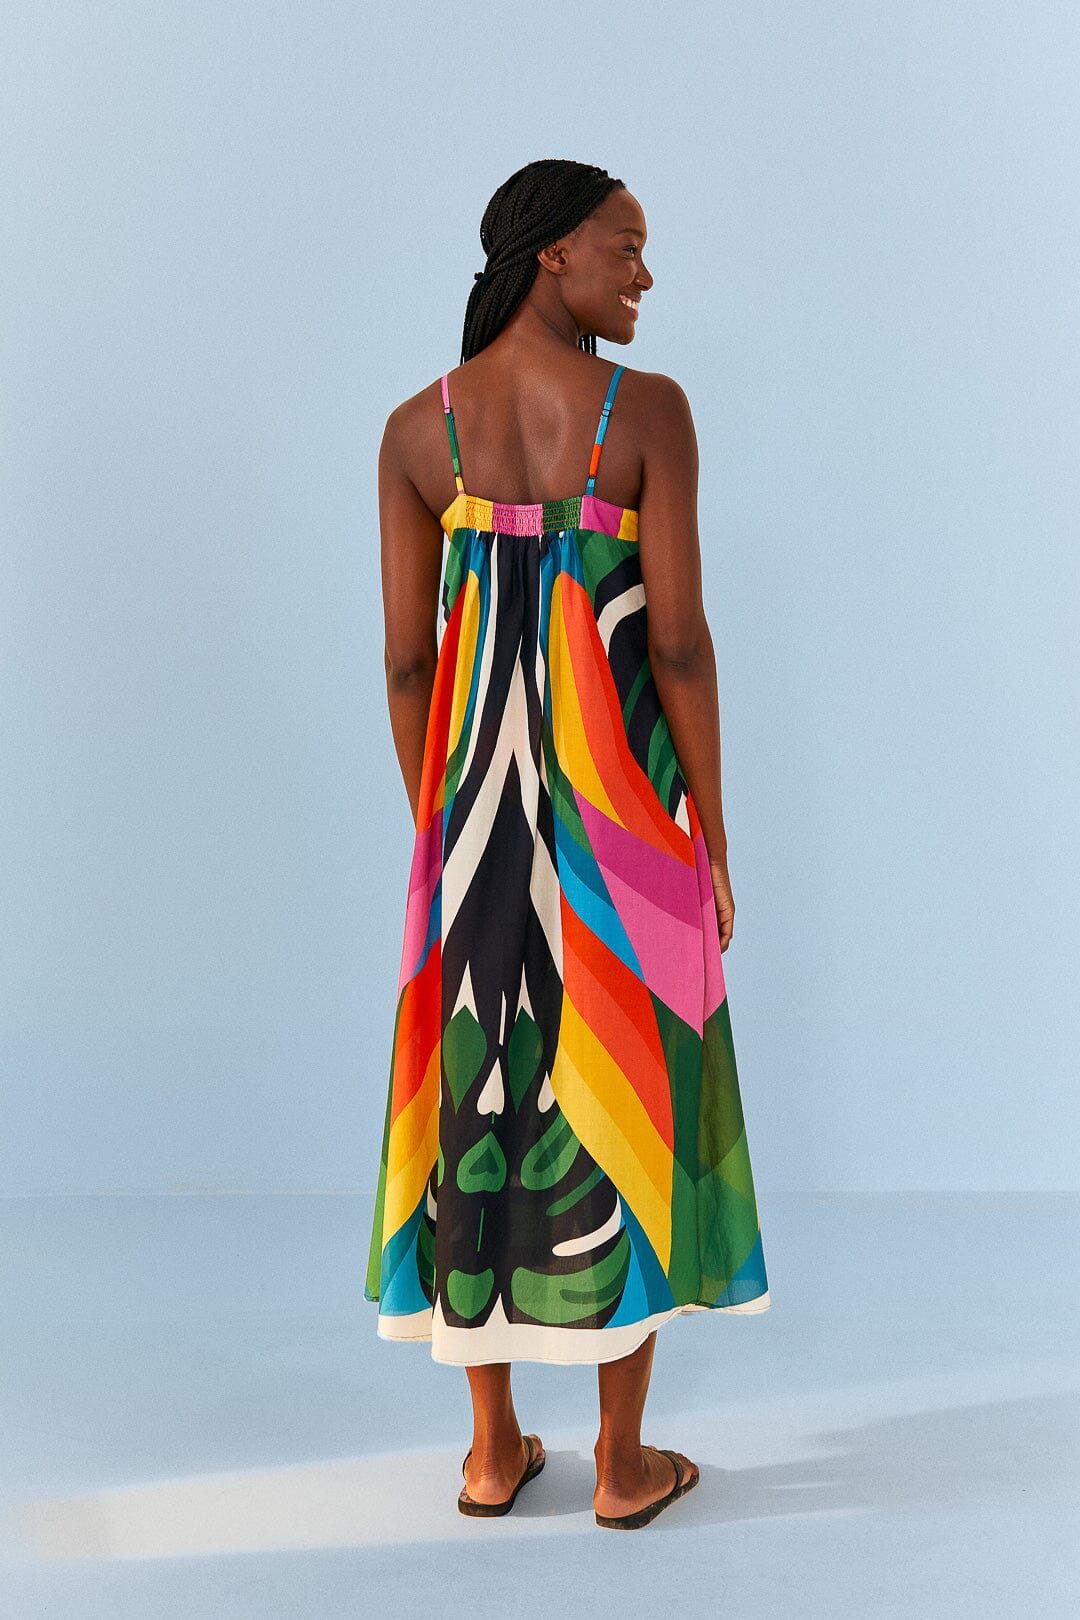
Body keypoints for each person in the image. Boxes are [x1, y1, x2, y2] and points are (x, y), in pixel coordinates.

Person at [366, 158, 770, 1530]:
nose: (644, 274)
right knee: (621, 1090)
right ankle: (620, 1462)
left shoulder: (417, 432)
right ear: (551, 253)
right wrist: (711, 830)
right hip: (623, 823)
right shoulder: (645, 414)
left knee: (477, 1094)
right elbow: (679, 641)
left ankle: (492, 1454)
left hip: (471, 822)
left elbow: (408, 665)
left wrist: (441, 829)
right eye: (625, 246)